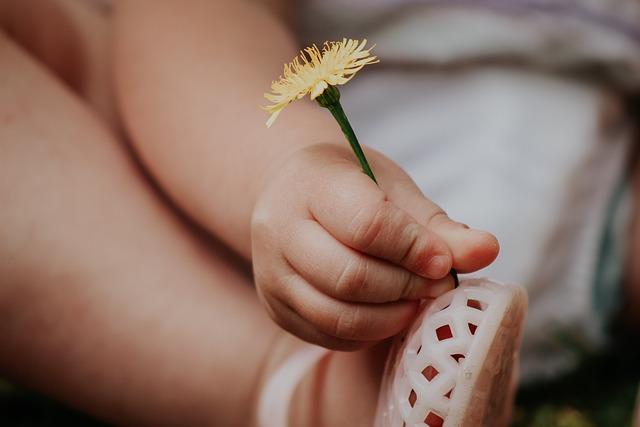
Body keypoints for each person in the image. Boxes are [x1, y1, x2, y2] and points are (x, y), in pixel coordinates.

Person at [0, 1, 500, 426]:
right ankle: (308, 387)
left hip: (458, 219)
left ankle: (301, 388)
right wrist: (282, 163)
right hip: (219, 130)